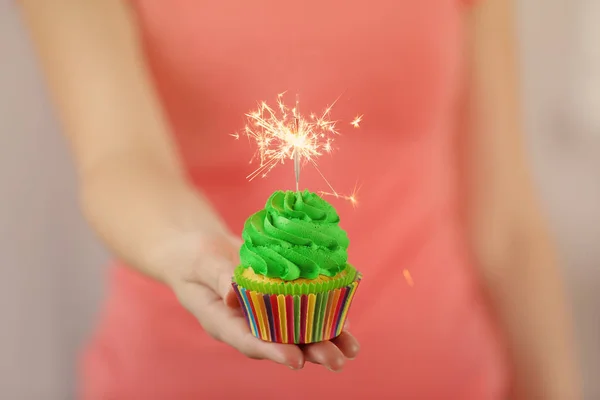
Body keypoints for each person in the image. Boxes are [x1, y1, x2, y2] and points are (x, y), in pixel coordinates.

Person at [20, 0, 581, 398]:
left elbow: (506, 227)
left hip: (447, 378)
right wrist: (190, 249)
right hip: (179, 380)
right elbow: (120, 161)